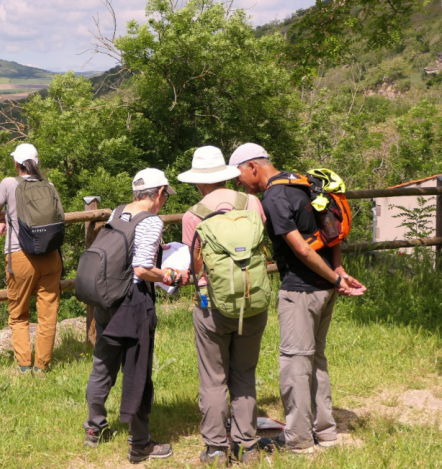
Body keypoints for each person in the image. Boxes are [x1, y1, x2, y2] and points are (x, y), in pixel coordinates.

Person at [229, 143, 366, 453]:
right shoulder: (303, 182)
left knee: (294, 364)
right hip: (325, 290)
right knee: (315, 359)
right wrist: (338, 271)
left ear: (253, 167)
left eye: (239, 176)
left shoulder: (274, 197)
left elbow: (301, 249)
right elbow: (330, 230)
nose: (239, 183)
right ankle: (326, 431)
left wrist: (336, 277)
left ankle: (300, 442)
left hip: (301, 291)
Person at [82, 168, 185, 463]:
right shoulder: (151, 220)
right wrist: (171, 275)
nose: (165, 201)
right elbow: (141, 269)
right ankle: (140, 443)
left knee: (103, 364)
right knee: (137, 370)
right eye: (166, 194)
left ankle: (94, 429)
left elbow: (124, 253)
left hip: (107, 300)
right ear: (159, 193)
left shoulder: (119, 212)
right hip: (133, 302)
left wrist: (156, 251)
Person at [178, 146, 270, 465]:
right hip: (252, 297)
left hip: (212, 304)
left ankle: (217, 449)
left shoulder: (194, 215)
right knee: (244, 373)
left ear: (198, 181)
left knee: (213, 377)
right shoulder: (252, 203)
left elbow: (195, 266)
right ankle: (249, 448)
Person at [0, 143, 62, 373]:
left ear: (17, 164)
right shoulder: (49, 185)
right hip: (51, 256)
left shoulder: (9, 183)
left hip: (21, 257)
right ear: (36, 163)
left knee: (19, 314)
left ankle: (24, 365)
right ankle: (42, 366)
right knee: (48, 314)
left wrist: (3, 220)